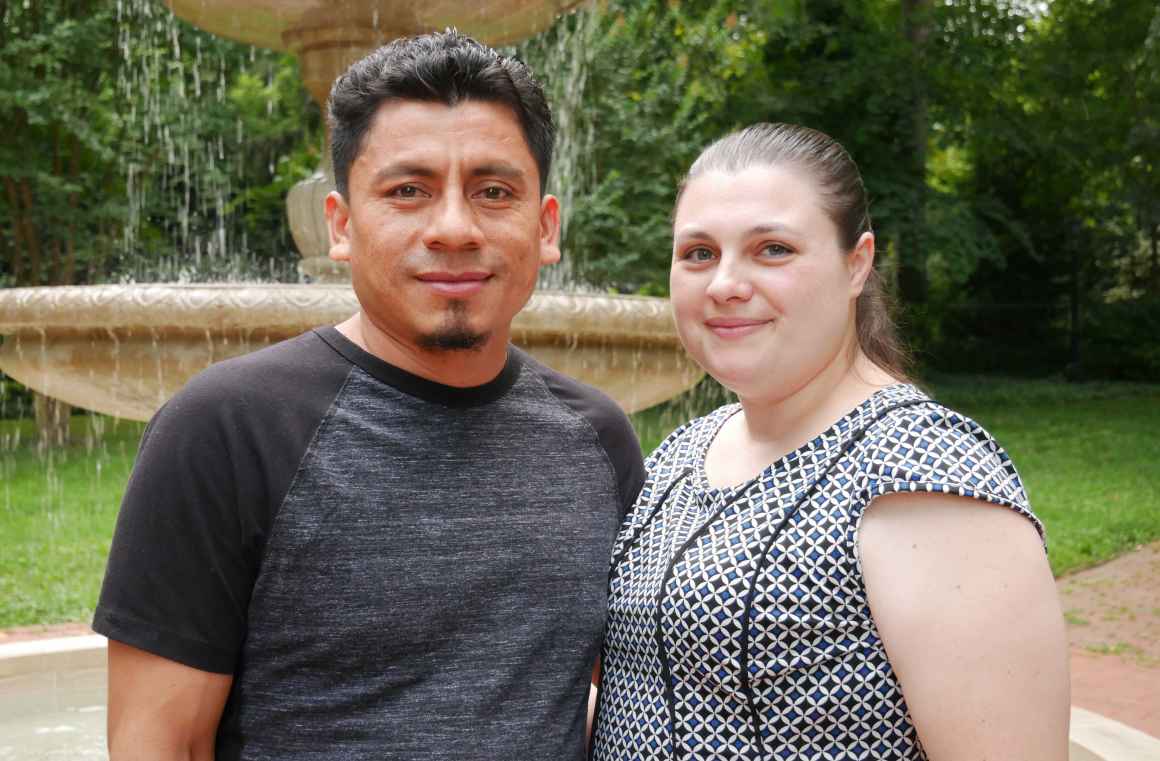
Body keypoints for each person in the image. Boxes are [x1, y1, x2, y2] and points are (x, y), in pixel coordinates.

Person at [94, 31, 644, 761]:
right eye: (407, 191)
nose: (453, 228)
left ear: (544, 228)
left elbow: (634, 703)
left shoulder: (599, 439)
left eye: (494, 191)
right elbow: (159, 742)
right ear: (342, 226)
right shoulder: (226, 428)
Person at [590, 123, 1070, 760]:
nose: (725, 283)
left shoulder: (921, 469)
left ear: (857, 264)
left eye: (773, 249)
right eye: (699, 253)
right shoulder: (683, 452)